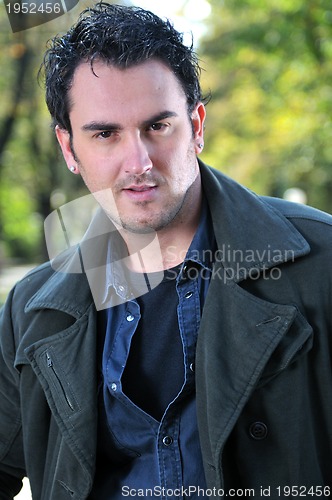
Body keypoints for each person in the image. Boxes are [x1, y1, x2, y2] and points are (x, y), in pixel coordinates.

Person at [0, 2, 331, 499]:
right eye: (105, 134)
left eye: (158, 126)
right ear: (69, 149)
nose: (139, 162)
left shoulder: (321, 265)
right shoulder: (31, 311)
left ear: (196, 126)